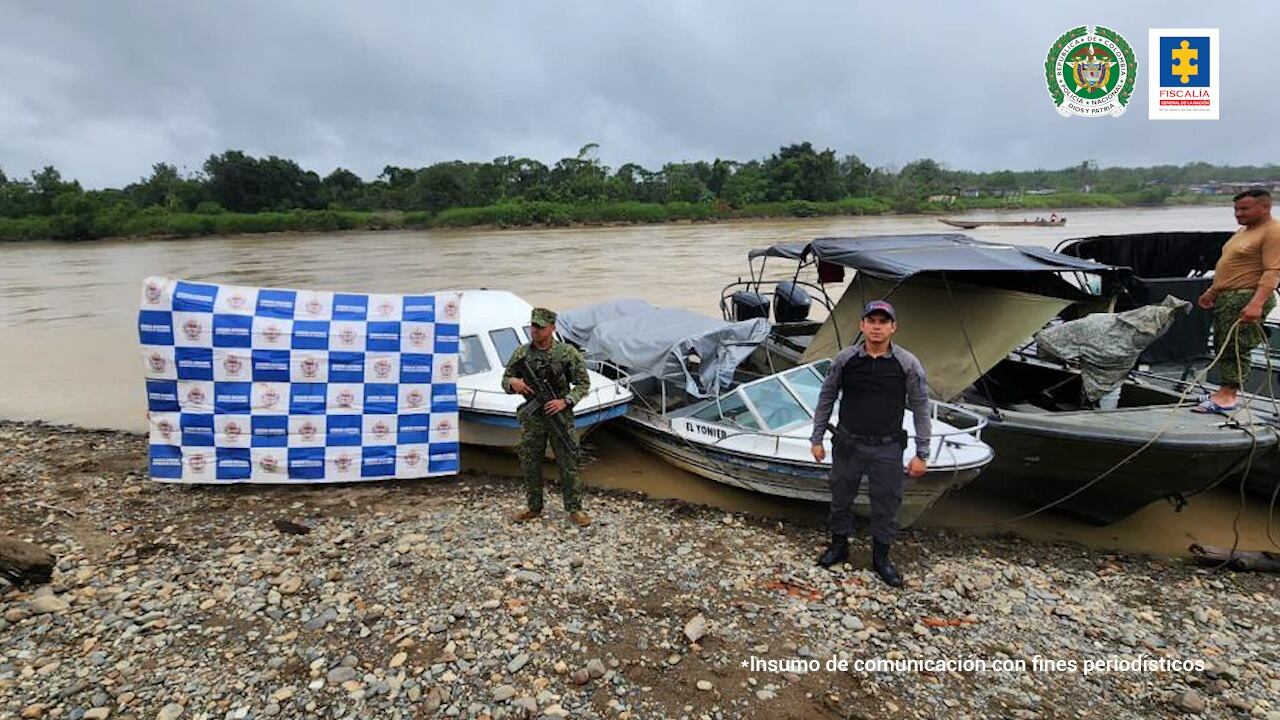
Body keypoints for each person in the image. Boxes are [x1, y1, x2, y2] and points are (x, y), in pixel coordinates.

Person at [809, 300, 930, 587]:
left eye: (883, 322)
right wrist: (816, 438)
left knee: (887, 504)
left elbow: (921, 407)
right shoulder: (845, 359)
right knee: (840, 498)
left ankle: (881, 558)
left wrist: (922, 452)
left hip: (887, 447)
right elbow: (826, 398)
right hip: (847, 443)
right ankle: (839, 545)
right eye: (871, 321)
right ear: (862, 325)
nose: (877, 327)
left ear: (893, 327)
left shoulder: (907, 364)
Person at [502, 307, 593, 526]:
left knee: (568, 461)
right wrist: (513, 384)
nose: (535, 331)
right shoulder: (522, 354)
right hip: (533, 419)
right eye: (533, 326)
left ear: (552, 328)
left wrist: (566, 401)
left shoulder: (567, 354)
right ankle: (534, 507)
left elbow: (583, 383)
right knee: (530, 462)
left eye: (540, 327)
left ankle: (574, 509)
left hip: (559, 415)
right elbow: (506, 379)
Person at [1195, 189, 1280, 414]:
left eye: (1244, 209)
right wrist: (1213, 291)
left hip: (1247, 295)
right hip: (1227, 296)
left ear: (1264, 208)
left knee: (1236, 346)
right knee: (1223, 344)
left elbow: (1273, 271)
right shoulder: (1244, 231)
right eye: (1236, 209)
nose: (1238, 213)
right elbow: (1231, 266)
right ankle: (1223, 390)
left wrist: (1257, 303)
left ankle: (1228, 396)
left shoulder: (1273, 231)